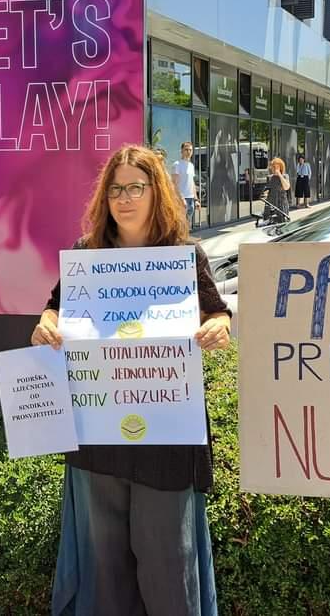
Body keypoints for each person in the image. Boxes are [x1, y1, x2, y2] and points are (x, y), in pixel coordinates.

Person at [32, 144, 231, 616]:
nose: (124, 199)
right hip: (97, 427)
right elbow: (56, 305)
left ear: (156, 191)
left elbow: (217, 311)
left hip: (167, 431)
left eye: (136, 188)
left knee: (168, 560)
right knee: (103, 564)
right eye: (116, 189)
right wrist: (46, 323)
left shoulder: (183, 256)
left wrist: (220, 327)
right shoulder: (86, 254)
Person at [170, 141, 199, 228]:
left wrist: (196, 199)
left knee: (187, 223)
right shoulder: (177, 164)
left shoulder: (191, 165)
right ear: (182, 151)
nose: (188, 152)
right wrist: (181, 198)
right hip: (181, 199)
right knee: (180, 223)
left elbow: (192, 183)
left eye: (190, 150)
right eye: (186, 150)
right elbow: (174, 183)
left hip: (190, 198)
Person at [264, 157, 290, 222]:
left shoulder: (285, 176)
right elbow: (266, 190)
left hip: (281, 203)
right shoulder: (270, 177)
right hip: (271, 203)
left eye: (277, 167)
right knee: (270, 222)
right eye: (274, 167)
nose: (275, 168)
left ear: (281, 167)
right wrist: (265, 193)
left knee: (282, 221)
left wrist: (280, 175)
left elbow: (286, 187)